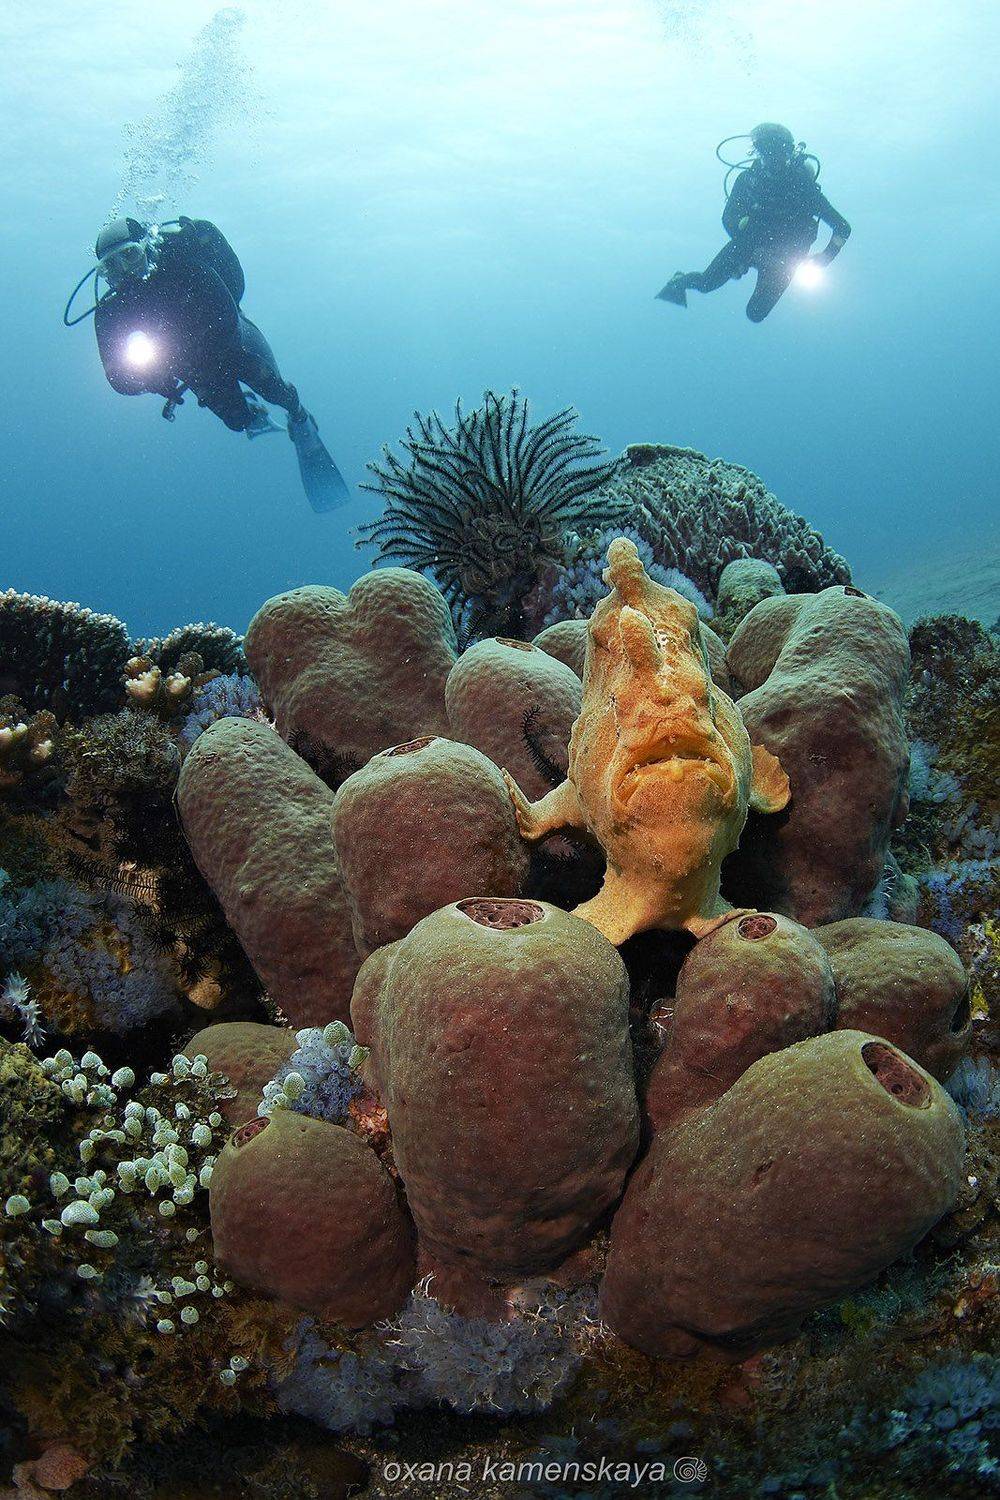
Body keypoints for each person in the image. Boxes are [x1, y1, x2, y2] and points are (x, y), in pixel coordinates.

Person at [73, 216, 348, 509]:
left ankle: (300, 418)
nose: (123, 271)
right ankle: (252, 414)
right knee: (237, 421)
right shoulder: (111, 312)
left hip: (235, 344)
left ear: (146, 248)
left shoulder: (185, 267)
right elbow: (117, 378)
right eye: (111, 266)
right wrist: (149, 380)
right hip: (195, 368)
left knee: (275, 389)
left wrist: (181, 355)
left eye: (129, 255)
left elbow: (227, 314)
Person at [657, 123, 851, 322]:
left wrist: (825, 257)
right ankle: (679, 282)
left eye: (779, 152)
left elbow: (843, 227)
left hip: (786, 258)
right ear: (758, 152)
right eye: (768, 151)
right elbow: (728, 217)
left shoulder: (803, 187)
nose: (773, 159)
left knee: (756, 313)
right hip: (749, 244)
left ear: (789, 152)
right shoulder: (748, 181)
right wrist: (745, 246)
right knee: (706, 283)